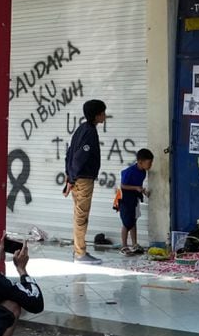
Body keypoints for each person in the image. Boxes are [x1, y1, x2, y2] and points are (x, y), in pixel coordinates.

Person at [63, 99, 108, 264]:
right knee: (81, 216)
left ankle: (78, 250)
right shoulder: (89, 132)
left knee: (78, 215)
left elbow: (69, 153)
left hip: (76, 178)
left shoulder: (81, 129)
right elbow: (79, 157)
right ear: (97, 115)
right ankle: (80, 254)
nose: (105, 116)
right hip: (83, 180)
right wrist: (73, 178)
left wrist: (69, 176)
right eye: (103, 113)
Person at [115, 149, 154, 255]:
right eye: (149, 163)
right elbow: (122, 185)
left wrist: (143, 191)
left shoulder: (143, 172)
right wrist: (136, 188)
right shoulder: (130, 171)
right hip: (125, 198)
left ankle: (134, 244)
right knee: (127, 222)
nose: (150, 165)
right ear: (140, 162)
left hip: (134, 198)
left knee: (134, 220)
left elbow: (138, 185)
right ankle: (124, 245)